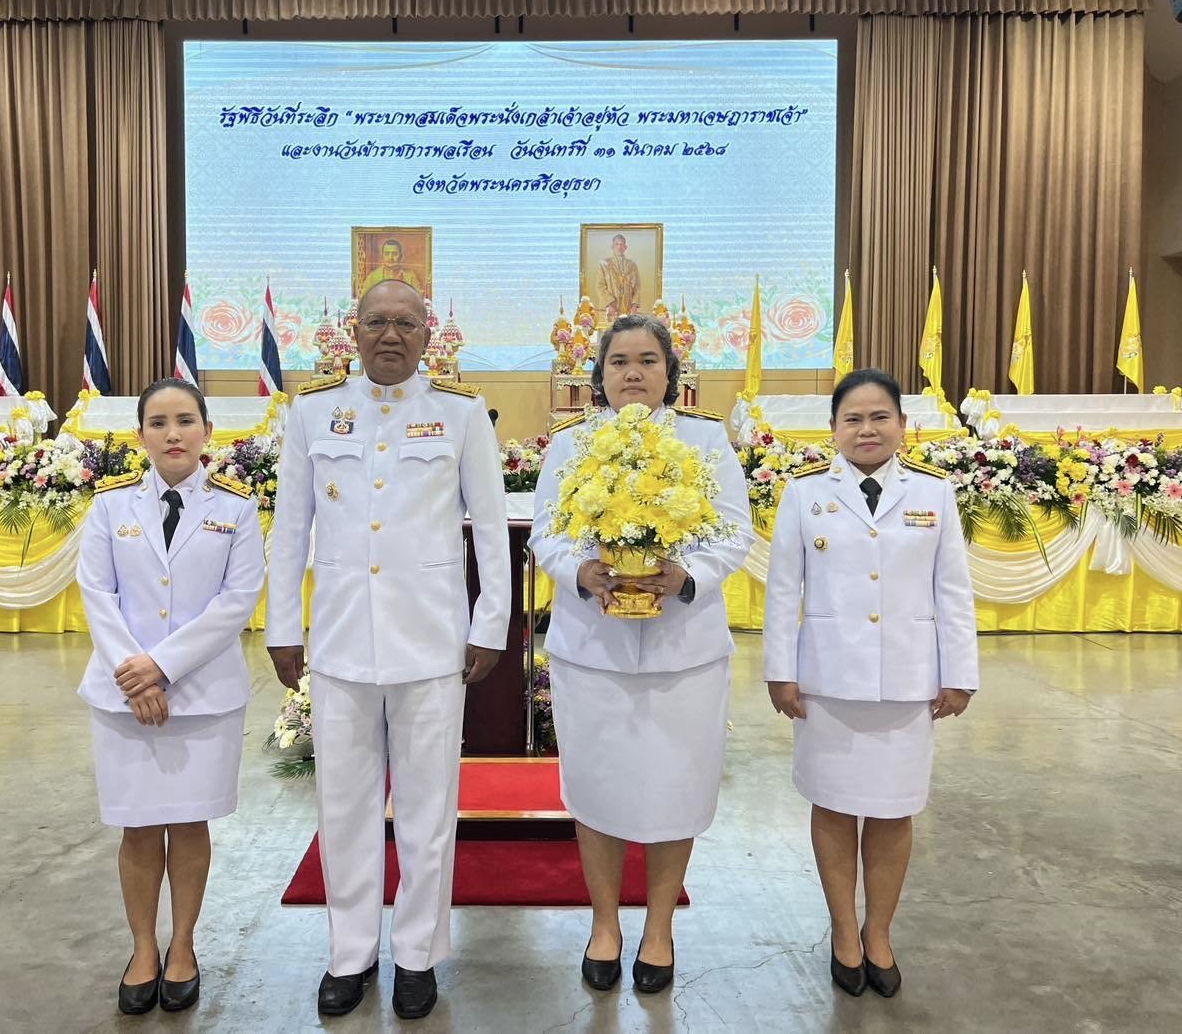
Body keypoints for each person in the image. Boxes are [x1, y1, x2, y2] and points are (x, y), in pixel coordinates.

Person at [266, 279, 511, 1020]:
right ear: (354, 331)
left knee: (428, 811)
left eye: (405, 322)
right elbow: (291, 527)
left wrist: (489, 625)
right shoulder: (313, 412)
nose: (390, 334)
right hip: (341, 641)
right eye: (376, 321)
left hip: (431, 642)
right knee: (342, 806)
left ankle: (416, 956)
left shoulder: (460, 414)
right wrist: (283, 625)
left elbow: (490, 527)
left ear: (427, 335)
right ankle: (350, 954)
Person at [530, 314, 754, 994]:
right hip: (591, 650)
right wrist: (578, 571)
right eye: (619, 361)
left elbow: (734, 533)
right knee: (596, 788)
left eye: (648, 360)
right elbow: (545, 532)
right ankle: (604, 925)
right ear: (599, 375)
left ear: (670, 373)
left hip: (683, 653)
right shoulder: (571, 443)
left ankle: (659, 929)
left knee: (676, 790)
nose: (633, 372)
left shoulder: (705, 440)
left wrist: (688, 577)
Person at [762, 368, 978, 998]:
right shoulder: (805, 493)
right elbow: (783, 591)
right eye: (852, 418)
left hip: (908, 683)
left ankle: (878, 932)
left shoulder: (934, 493)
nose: (866, 429)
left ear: (902, 425)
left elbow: (953, 591)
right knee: (832, 806)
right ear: (833, 429)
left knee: (892, 811)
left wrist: (959, 674)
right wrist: (781, 671)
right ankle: (843, 932)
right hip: (827, 682)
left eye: (880, 416)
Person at [76, 377, 266, 1015]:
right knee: (137, 827)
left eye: (185, 420)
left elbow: (236, 602)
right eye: (158, 423)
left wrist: (161, 666)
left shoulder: (236, 508)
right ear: (141, 437)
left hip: (202, 695)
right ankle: (141, 950)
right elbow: (97, 595)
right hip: (123, 696)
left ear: (208, 430)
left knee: (188, 822)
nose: (173, 433)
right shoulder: (110, 506)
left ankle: (182, 946)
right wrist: (134, 675)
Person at [596, 233, 641, 321]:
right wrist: (610, 303)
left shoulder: (632, 265)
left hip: (628, 309)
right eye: (616, 244)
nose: (619, 247)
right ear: (612, 247)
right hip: (612, 309)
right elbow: (600, 286)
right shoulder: (604, 264)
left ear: (625, 247)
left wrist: (634, 305)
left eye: (621, 244)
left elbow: (637, 287)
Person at [360, 237, 426, 296]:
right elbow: (364, 299)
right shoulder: (372, 277)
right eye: (387, 254)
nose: (390, 257)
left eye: (394, 254)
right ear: (382, 256)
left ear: (401, 256)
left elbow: (418, 298)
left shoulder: (410, 276)